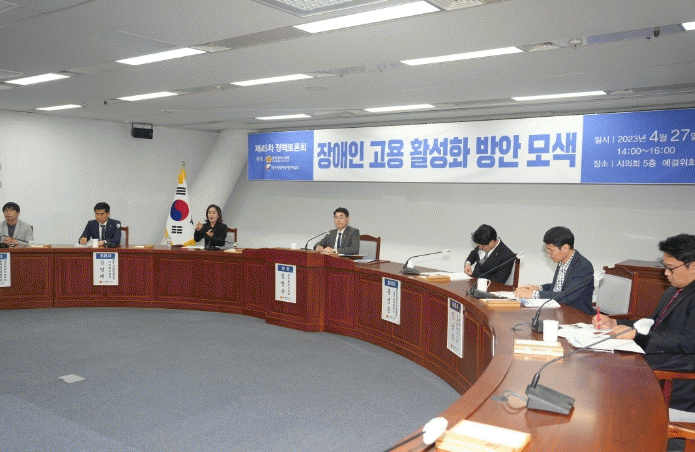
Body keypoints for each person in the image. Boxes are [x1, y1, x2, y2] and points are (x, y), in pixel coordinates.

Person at [593, 234, 695, 418]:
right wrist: (617, 323)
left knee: (616, 373)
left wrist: (638, 336)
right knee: (605, 363)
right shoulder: (674, 290)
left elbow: (689, 342)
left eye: (671, 268)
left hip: (679, 378)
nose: (666, 273)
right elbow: (652, 324)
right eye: (665, 266)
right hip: (661, 358)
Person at [514, 226, 595, 314]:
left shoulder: (583, 266)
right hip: (560, 311)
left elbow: (566, 295)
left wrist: (533, 294)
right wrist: (538, 288)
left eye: (551, 251)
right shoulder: (562, 262)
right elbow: (558, 288)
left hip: (577, 315)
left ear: (565, 248)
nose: (548, 254)